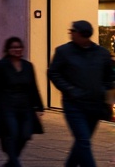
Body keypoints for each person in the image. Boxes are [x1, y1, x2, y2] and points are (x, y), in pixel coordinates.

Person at [48, 19, 115, 167]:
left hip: (95, 105)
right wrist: (69, 89)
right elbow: (53, 73)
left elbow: (109, 78)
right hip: (74, 104)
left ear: (81, 34)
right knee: (83, 141)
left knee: (82, 142)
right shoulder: (63, 51)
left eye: (73, 32)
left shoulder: (101, 53)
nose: (70, 34)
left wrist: (108, 99)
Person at [0, 36, 43, 167]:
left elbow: (34, 87)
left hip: (26, 106)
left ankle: (10, 162)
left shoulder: (28, 66)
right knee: (12, 133)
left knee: (26, 134)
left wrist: (39, 107)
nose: (17, 50)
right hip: (7, 106)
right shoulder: (0, 66)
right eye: (14, 47)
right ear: (8, 50)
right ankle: (15, 163)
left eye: (19, 47)